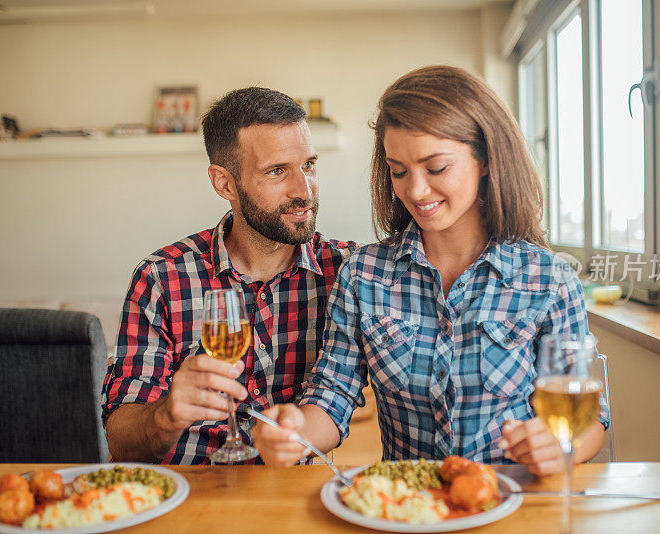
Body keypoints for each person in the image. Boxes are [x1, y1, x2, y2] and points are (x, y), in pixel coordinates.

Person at [251, 66, 608, 474]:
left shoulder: (548, 279)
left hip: (512, 503)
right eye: (399, 171)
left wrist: (560, 448)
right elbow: (332, 397)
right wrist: (295, 431)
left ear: (486, 160)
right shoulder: (363, 275)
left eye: (436, 168)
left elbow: (593, 423)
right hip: (409, 506)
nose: (415, 191)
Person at [101, 87, 356, 464]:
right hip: (185, 495)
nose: (304, 191)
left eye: (309, 165)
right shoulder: (160, 278)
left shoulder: (345, 271)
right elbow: (121, 443)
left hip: (289, 497)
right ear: (224, 184)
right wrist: (165, 414)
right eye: (276, 171)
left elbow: (341, 398)